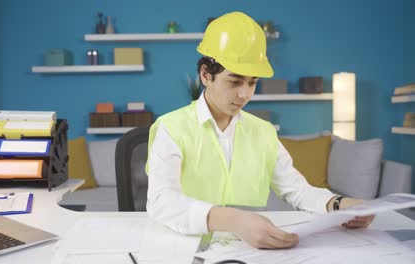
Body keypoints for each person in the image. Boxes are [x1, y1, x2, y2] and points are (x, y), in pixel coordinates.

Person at [145, 11, 374, 249]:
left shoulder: (263, 132)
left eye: (252, 82)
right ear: (206, 75)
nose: (244, 94)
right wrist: (232, 220)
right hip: (183, 247)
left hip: (249, 249)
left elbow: (297, 190)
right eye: (234, 82)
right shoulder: (171, 128)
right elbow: (162, 201)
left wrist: (339, 204)